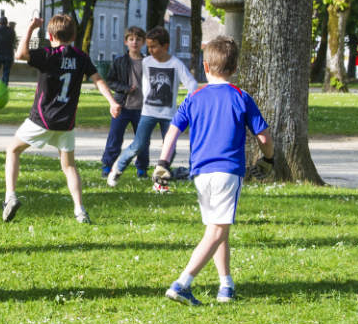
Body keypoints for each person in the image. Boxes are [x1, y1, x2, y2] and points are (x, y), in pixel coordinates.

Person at [154, 35, 274, 306]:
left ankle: (226, 285)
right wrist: (269, 160)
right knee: (218, 229)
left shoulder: (194, 96)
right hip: (228, 171)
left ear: (206, 67)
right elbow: (264, 138)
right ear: (234, 69)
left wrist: (163, 163)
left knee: (217, 226)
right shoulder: (241, 97)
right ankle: (183, 283)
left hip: (200, 173)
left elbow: (173, 131)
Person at [2, 15, 122, 224]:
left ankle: (10, 196)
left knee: (13, 149)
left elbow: (20, 54)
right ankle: (80, 210)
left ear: (50, 35)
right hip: (65, 123)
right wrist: (112, 102)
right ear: (74, 35)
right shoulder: (80, 56)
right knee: (69, 166)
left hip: (41, 119)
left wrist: (30, 27)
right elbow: (98, 79)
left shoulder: (48, 54)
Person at [107, 25, 198, 188]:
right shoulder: (146, 61)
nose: (150, 50)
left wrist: (188, 104)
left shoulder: (176, 64)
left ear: (165, 46)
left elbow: (192, 85)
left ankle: (160, 177)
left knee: (171, 149)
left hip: (169, 114)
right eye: (148, 47)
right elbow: (129, 65)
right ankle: (117, 168)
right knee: (139, 145)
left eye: (154, 46)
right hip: (148, 112)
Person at [100, 26, 146, 177]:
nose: (135, 42)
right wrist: (126, 88)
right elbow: (111, 81)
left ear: (143, 42)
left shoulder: (148, 62)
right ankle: (107, 166)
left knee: (142, 141)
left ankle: (142, 169)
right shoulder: (119, 61)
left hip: (142, 108)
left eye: (138, 39)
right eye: (131, 39)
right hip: (122, 106)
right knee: (115, 137)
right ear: (126, 42)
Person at [0, 16, 16, 84]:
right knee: (6, 72)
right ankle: (4, 85)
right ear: (7, 22)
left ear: (0, 23)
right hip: (8, 53)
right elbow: (13, 41)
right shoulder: (11, 30)